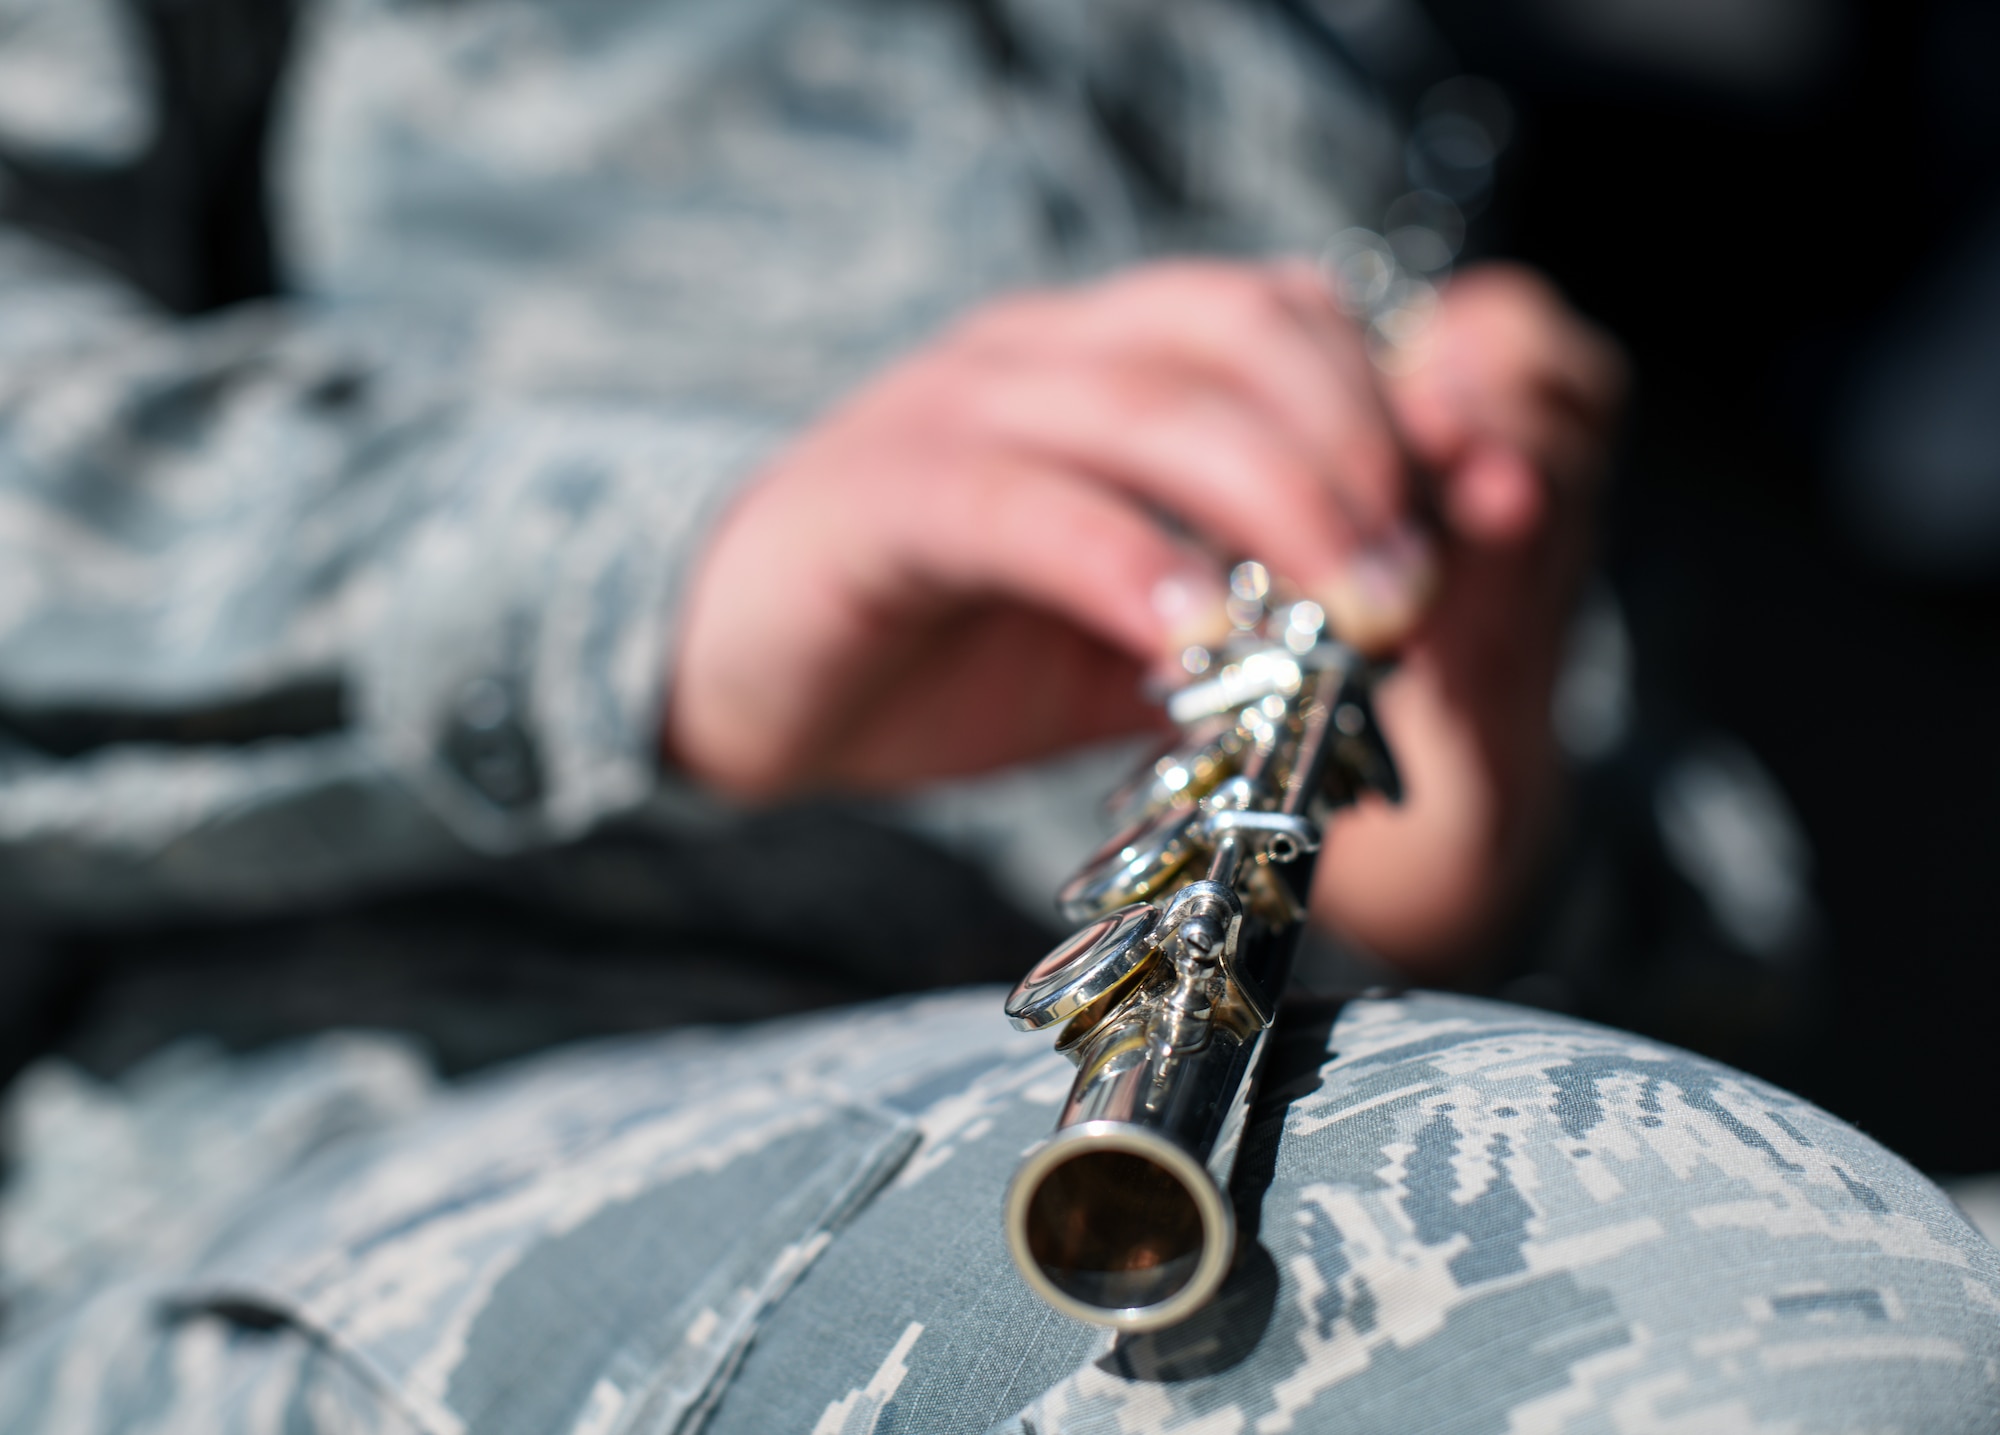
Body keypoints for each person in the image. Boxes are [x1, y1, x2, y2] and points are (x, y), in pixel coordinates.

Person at [0, 0, 1993, 1430]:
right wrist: (670, 587)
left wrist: (1500, 843)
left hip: (1278, 1073)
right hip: (377, 1141)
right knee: (1697, 1299)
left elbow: (1719, 931)